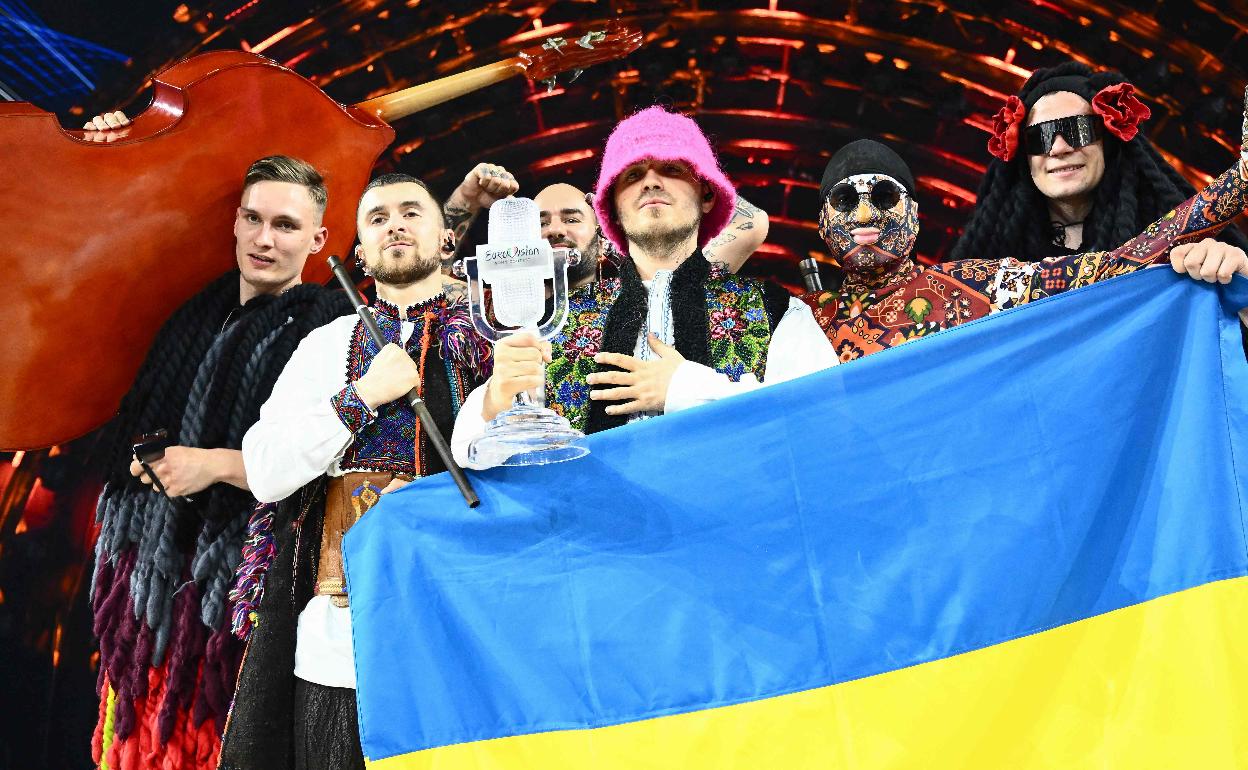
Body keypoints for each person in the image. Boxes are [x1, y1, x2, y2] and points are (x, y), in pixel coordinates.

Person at [220, 170, 504, 770]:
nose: (394, 225)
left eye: (410, 212)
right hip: (337, 636)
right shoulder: (327, 344)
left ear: (446, 238)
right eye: (377, 218)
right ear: (358, 250)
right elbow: (266, 470)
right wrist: (362, 396)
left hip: (465, 621)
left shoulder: (492, 335)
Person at [90, 155, 351, 770]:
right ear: (234, 222)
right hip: (151, 586)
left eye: (285, 226)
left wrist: (215, 465)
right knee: (141, 743)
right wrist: (143, 462)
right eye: (253, 218)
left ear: (318, 240)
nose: (264, 239)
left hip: (245, 591)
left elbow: (333, 456)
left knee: (228, 741)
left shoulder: (332, 324)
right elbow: (131, 418)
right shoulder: (192, 313)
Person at [452, 107, 835, 461]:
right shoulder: (556, 322)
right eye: (632, 175)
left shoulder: (775, 309)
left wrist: (685, 389)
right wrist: (495, 402)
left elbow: (824, 422)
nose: (650, 182)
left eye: (671, 168)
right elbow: (468, 454)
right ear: (612, 207)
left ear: (705, 194)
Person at [804, 135, 1248, 361]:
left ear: (914, 215)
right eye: (845, 202)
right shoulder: (794, 319)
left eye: (883, 198)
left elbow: (1117, 265)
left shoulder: (974, 287)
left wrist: (1241, 180)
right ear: (823, 222)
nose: (864, 217)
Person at [951, 61, 1248, 260]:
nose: (1058, 148)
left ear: (1109, 142)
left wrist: (1239, 291)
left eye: (1077, 130)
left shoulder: (1181, 252)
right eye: (1039, 138)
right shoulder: (981, 275)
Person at [535, 181, 769, 291]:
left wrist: (698, 172)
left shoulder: (658, 290)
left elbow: (752, 222)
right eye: (541, 223)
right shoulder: (506, 315)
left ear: (601, 240)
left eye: (572, 220)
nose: (555, 230)